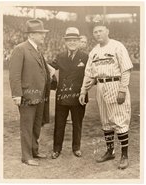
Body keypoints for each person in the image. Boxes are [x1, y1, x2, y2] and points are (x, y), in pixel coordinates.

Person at [79, 21, 133, 169]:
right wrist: (83, 90)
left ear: (107, 31)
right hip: (101, 87)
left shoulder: (117, 46)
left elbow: (126, 70)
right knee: (106, 121)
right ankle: (110, 151)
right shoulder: (94, 51)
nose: (98, 34)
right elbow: (88, 74)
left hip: (115, 84)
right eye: (95, 32)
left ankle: (124, 155)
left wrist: (122, 89)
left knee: (119, 120)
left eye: (100, 31)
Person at [9, 19, 51, 166]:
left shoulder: (36, 49)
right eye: (41, 34)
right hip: (27, 96)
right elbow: (14, 74)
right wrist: (17, 95)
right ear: (32, 34)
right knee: (27, 126)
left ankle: (34, 150)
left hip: (39, 96)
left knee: (36, 125)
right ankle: (26, 156)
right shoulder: (20, 49)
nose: (43, 36)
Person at [49, 27, 88, 159]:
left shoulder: (85, 57)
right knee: (59, 124)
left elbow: (90, 75)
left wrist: (85, 91)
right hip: (63, 96)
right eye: (69, 40)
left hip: (79, 97)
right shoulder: (60, 56)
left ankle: (76, 148)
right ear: (65, 42)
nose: (72, 43)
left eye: (74, 40)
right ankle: (56, 149)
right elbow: (50, 68)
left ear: (78, 42)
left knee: (77, 124)